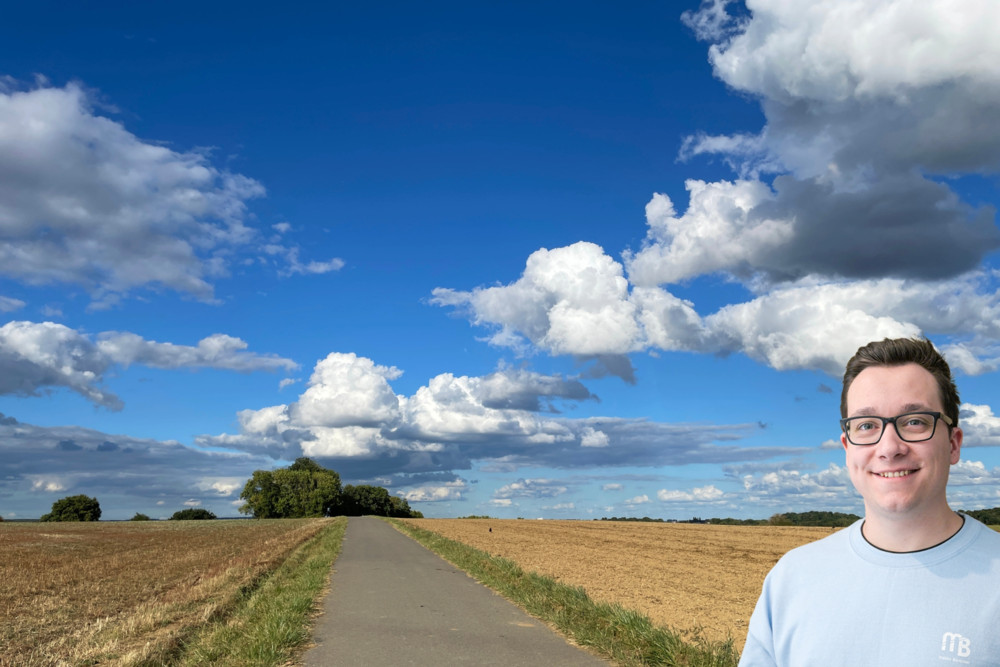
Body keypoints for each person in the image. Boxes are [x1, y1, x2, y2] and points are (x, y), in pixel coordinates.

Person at [739, 337, 1000, 666]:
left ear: (953, 444)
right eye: (866, 425)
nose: (889, 448)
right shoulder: (791, 578)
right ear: (847, 448)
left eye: (915, 421)